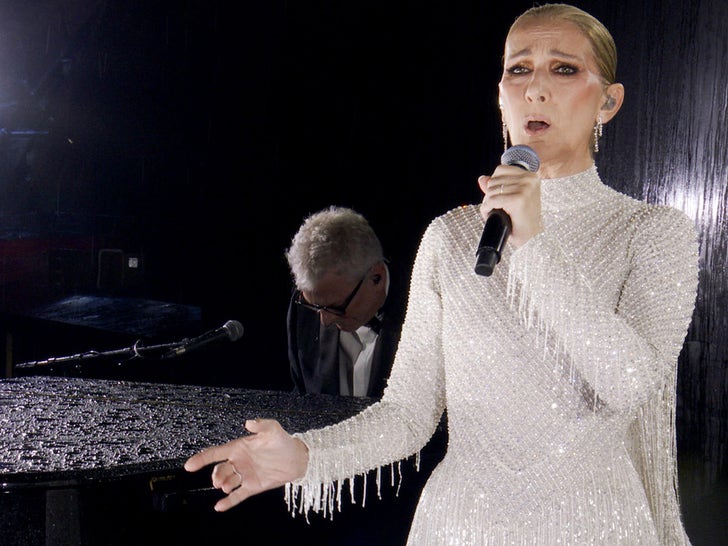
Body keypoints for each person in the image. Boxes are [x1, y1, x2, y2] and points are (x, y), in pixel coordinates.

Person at [184, 4, 699, 544]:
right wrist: (309, 457)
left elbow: (631, 385)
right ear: (499, 92)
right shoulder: (451, 236)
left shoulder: (653, 231)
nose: (535, 90)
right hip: (457, 526)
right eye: (518, 69)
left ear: (608, 102)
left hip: (594, 527)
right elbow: (408, 413)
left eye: (563, 69)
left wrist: (535, 242)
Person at [284, 205, 406, 398]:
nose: (324, 320)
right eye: (315, 306)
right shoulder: (305, 309)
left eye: (336, 307)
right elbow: (304, 399)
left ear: (377, 277)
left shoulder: (426, 313)